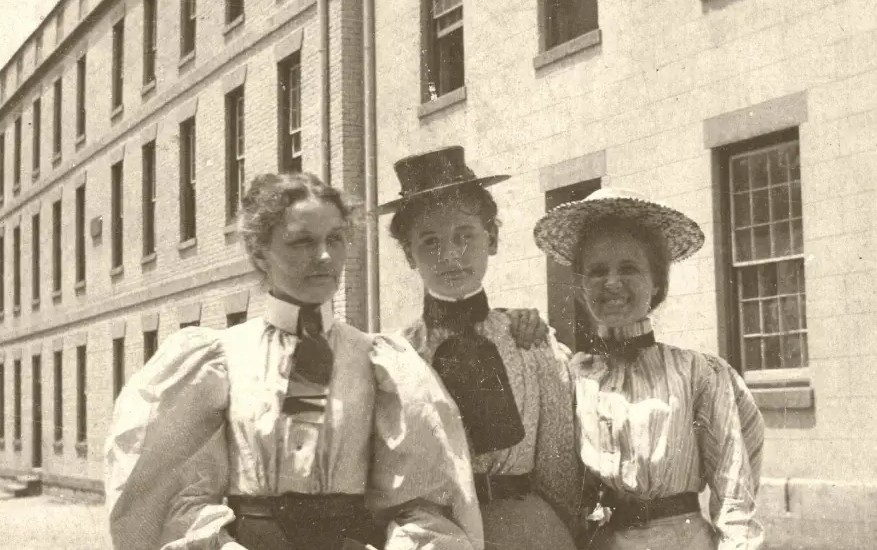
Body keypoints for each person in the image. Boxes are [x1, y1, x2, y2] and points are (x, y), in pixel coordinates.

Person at [104, 172, 484, 550]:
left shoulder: (381, 361)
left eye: (335, 239)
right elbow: (173, 497)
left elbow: (421, 498)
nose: (324, 256)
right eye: (302, 242)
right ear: (259, 252)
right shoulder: (218, 359)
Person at [533, 187, 765, 550]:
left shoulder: (699, 374)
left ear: (657, 281)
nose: (612, 282)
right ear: (580, 286)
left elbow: (735, 495)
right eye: (597, 271)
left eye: (628, 268)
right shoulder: (572, 378)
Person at [383, 146, 581, 550]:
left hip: (526, 530)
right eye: (430, 242)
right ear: (408, 254)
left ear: (491, 238)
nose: (451, 255)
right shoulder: (399, 357)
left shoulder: (529, 343)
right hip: (436, 535)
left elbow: (558, 465)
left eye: (464, 235)